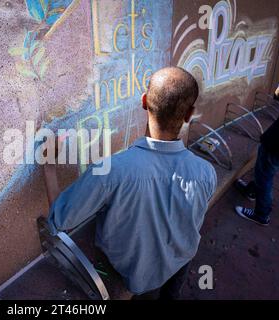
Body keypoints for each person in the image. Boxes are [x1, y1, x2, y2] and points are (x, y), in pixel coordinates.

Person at [45, 67, 217, 299]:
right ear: (189, 114)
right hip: (179, 266)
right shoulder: (206, 172)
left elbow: (59, 220)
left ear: (144, 101)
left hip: (132, 278)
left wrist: (48, 166)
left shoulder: (112, 171)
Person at [234, 81, 279, 226]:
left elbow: (277, 94)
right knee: (265, 172)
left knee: (265, 177)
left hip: (277, 142)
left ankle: (261, 214)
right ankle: (252, 191)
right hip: (278, 143)